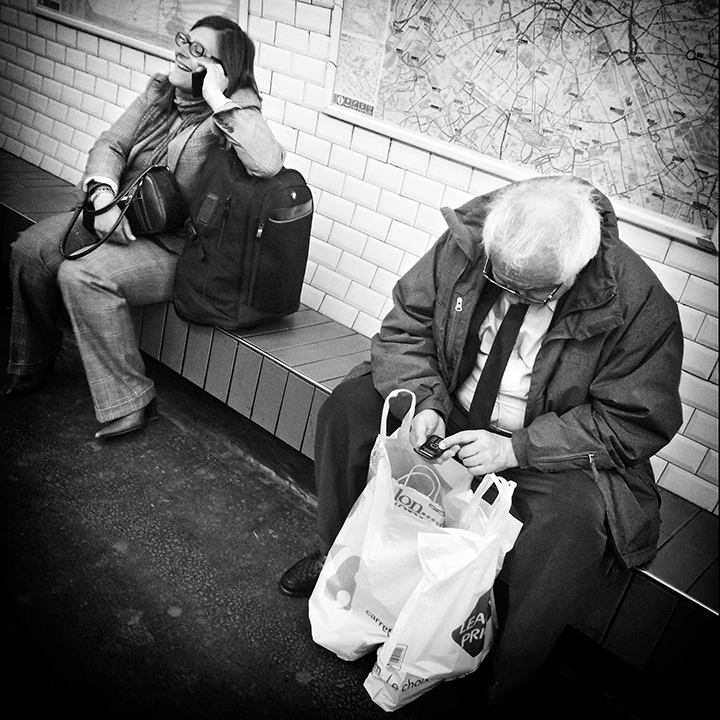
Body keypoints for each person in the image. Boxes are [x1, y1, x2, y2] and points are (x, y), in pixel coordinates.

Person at [279, 175, 684, 705]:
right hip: (452, 399)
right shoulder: (470, 240)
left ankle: (509, 677)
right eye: (503, 281)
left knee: (575, 522)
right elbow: (406, 325)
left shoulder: (638, 302)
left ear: (574, 270)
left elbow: (632, 421)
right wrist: (425, 402)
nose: (512, 297)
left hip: (545, 440)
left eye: (532, 292)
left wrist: (516, 449)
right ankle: (344, 562)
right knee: (348, 412)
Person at [4, 15, 284, 439]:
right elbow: (111, 143)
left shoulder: (231, 113)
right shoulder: (163, 93)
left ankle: (132, 400)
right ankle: (31, 361)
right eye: (185, 41)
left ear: (221, 71)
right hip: (117, 213)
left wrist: (217, 96)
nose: (182, 52)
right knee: (29, 251)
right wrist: (100, 198)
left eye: (198, 51)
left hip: (175, 248)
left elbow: (267, 160)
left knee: (82, 275)